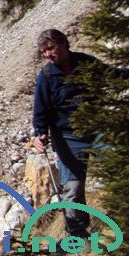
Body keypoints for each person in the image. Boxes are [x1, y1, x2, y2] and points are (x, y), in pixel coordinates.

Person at [31, 28, 97, 239]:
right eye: (44, 51)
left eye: (51, 48)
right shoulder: (47, 76)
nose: (48, 54)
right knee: (73, 187)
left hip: (96, 128)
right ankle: (77, 235)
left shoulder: (85, 62)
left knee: (119, 162)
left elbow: (111, 75)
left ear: (63, 44)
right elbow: (40, 109)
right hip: (66, 137)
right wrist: (39, 133)